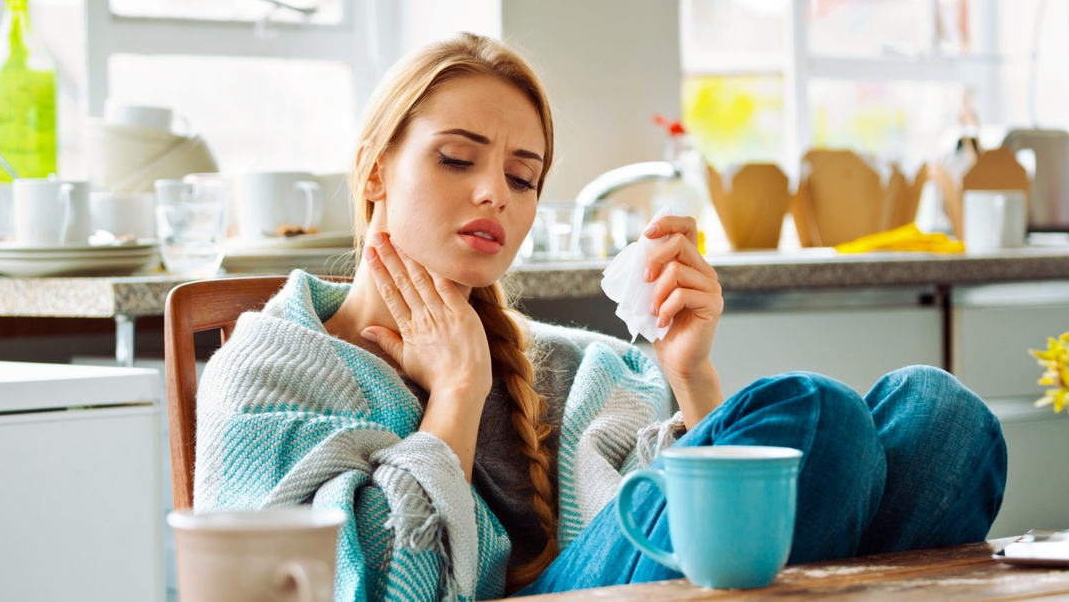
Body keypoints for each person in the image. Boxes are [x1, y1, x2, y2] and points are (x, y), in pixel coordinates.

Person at [193, 33, 1006, 601]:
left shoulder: (565, 363)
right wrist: (456, 397)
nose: (494, 195)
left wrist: (688, 374)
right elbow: (368, 590)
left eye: (523, 175)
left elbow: (667, 512)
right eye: (456, 157)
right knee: (818, 413)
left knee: (945, 417)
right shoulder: (267, 369)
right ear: (374, 171)